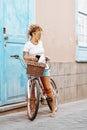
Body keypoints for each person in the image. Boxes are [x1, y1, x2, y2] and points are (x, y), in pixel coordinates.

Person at [23, 24, 56, 117]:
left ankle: (53, 110)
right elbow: (24, 56)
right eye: (39, 34)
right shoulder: (27, 44)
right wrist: (30, 59)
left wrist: (46, 57)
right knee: (32, 91)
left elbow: (41, 53)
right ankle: (32, 111)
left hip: (43, 66)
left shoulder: (40, 43)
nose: (40, 36)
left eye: (40, 34)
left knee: (47, 88)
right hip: (34, 67)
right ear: (33, 34)